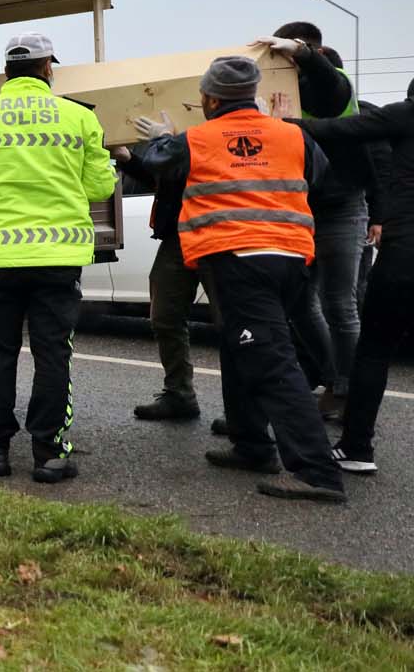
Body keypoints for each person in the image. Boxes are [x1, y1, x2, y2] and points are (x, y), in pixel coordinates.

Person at [120, 55, 345, 503]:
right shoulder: (292, 134)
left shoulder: (197, 138)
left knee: (271, 360)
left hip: (240, 260)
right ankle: (251, 444)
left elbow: (161, 161)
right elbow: (320, 179)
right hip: (291, 257)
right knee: (239, 346)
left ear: (208, 97)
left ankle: (316, 471)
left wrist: (164, 138)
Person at [0, 33, 115, 485]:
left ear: (6, 71)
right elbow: (98, 187)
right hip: (58, 258)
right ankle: (50, 454)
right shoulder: (79, 118)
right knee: (54, 353)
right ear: (48, 68)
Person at [255, 27, 379, 420]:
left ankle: (348, 391)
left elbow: (327, 80)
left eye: (282, 55)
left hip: (341, 207)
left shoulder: (333, 85)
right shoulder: (279, 96)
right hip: (300, 210)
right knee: (298, 302)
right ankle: (332, 378)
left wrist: (305, 54)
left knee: (340, 304)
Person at [293, 78, 414, 476]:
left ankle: (356, 447)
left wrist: (284, 120)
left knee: (374, 350)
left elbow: (338, 128)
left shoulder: (404, 114)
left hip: (405, 255)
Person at [115, 137, 205, 421]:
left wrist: (166, 141)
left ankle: (247, 413)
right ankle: (180, 394)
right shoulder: (180, 138)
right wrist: (128, 158)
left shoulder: (209, 132)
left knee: (238, 324)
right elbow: (163, 176)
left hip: (221, 232)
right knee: (165, 315)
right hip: (179, 235)